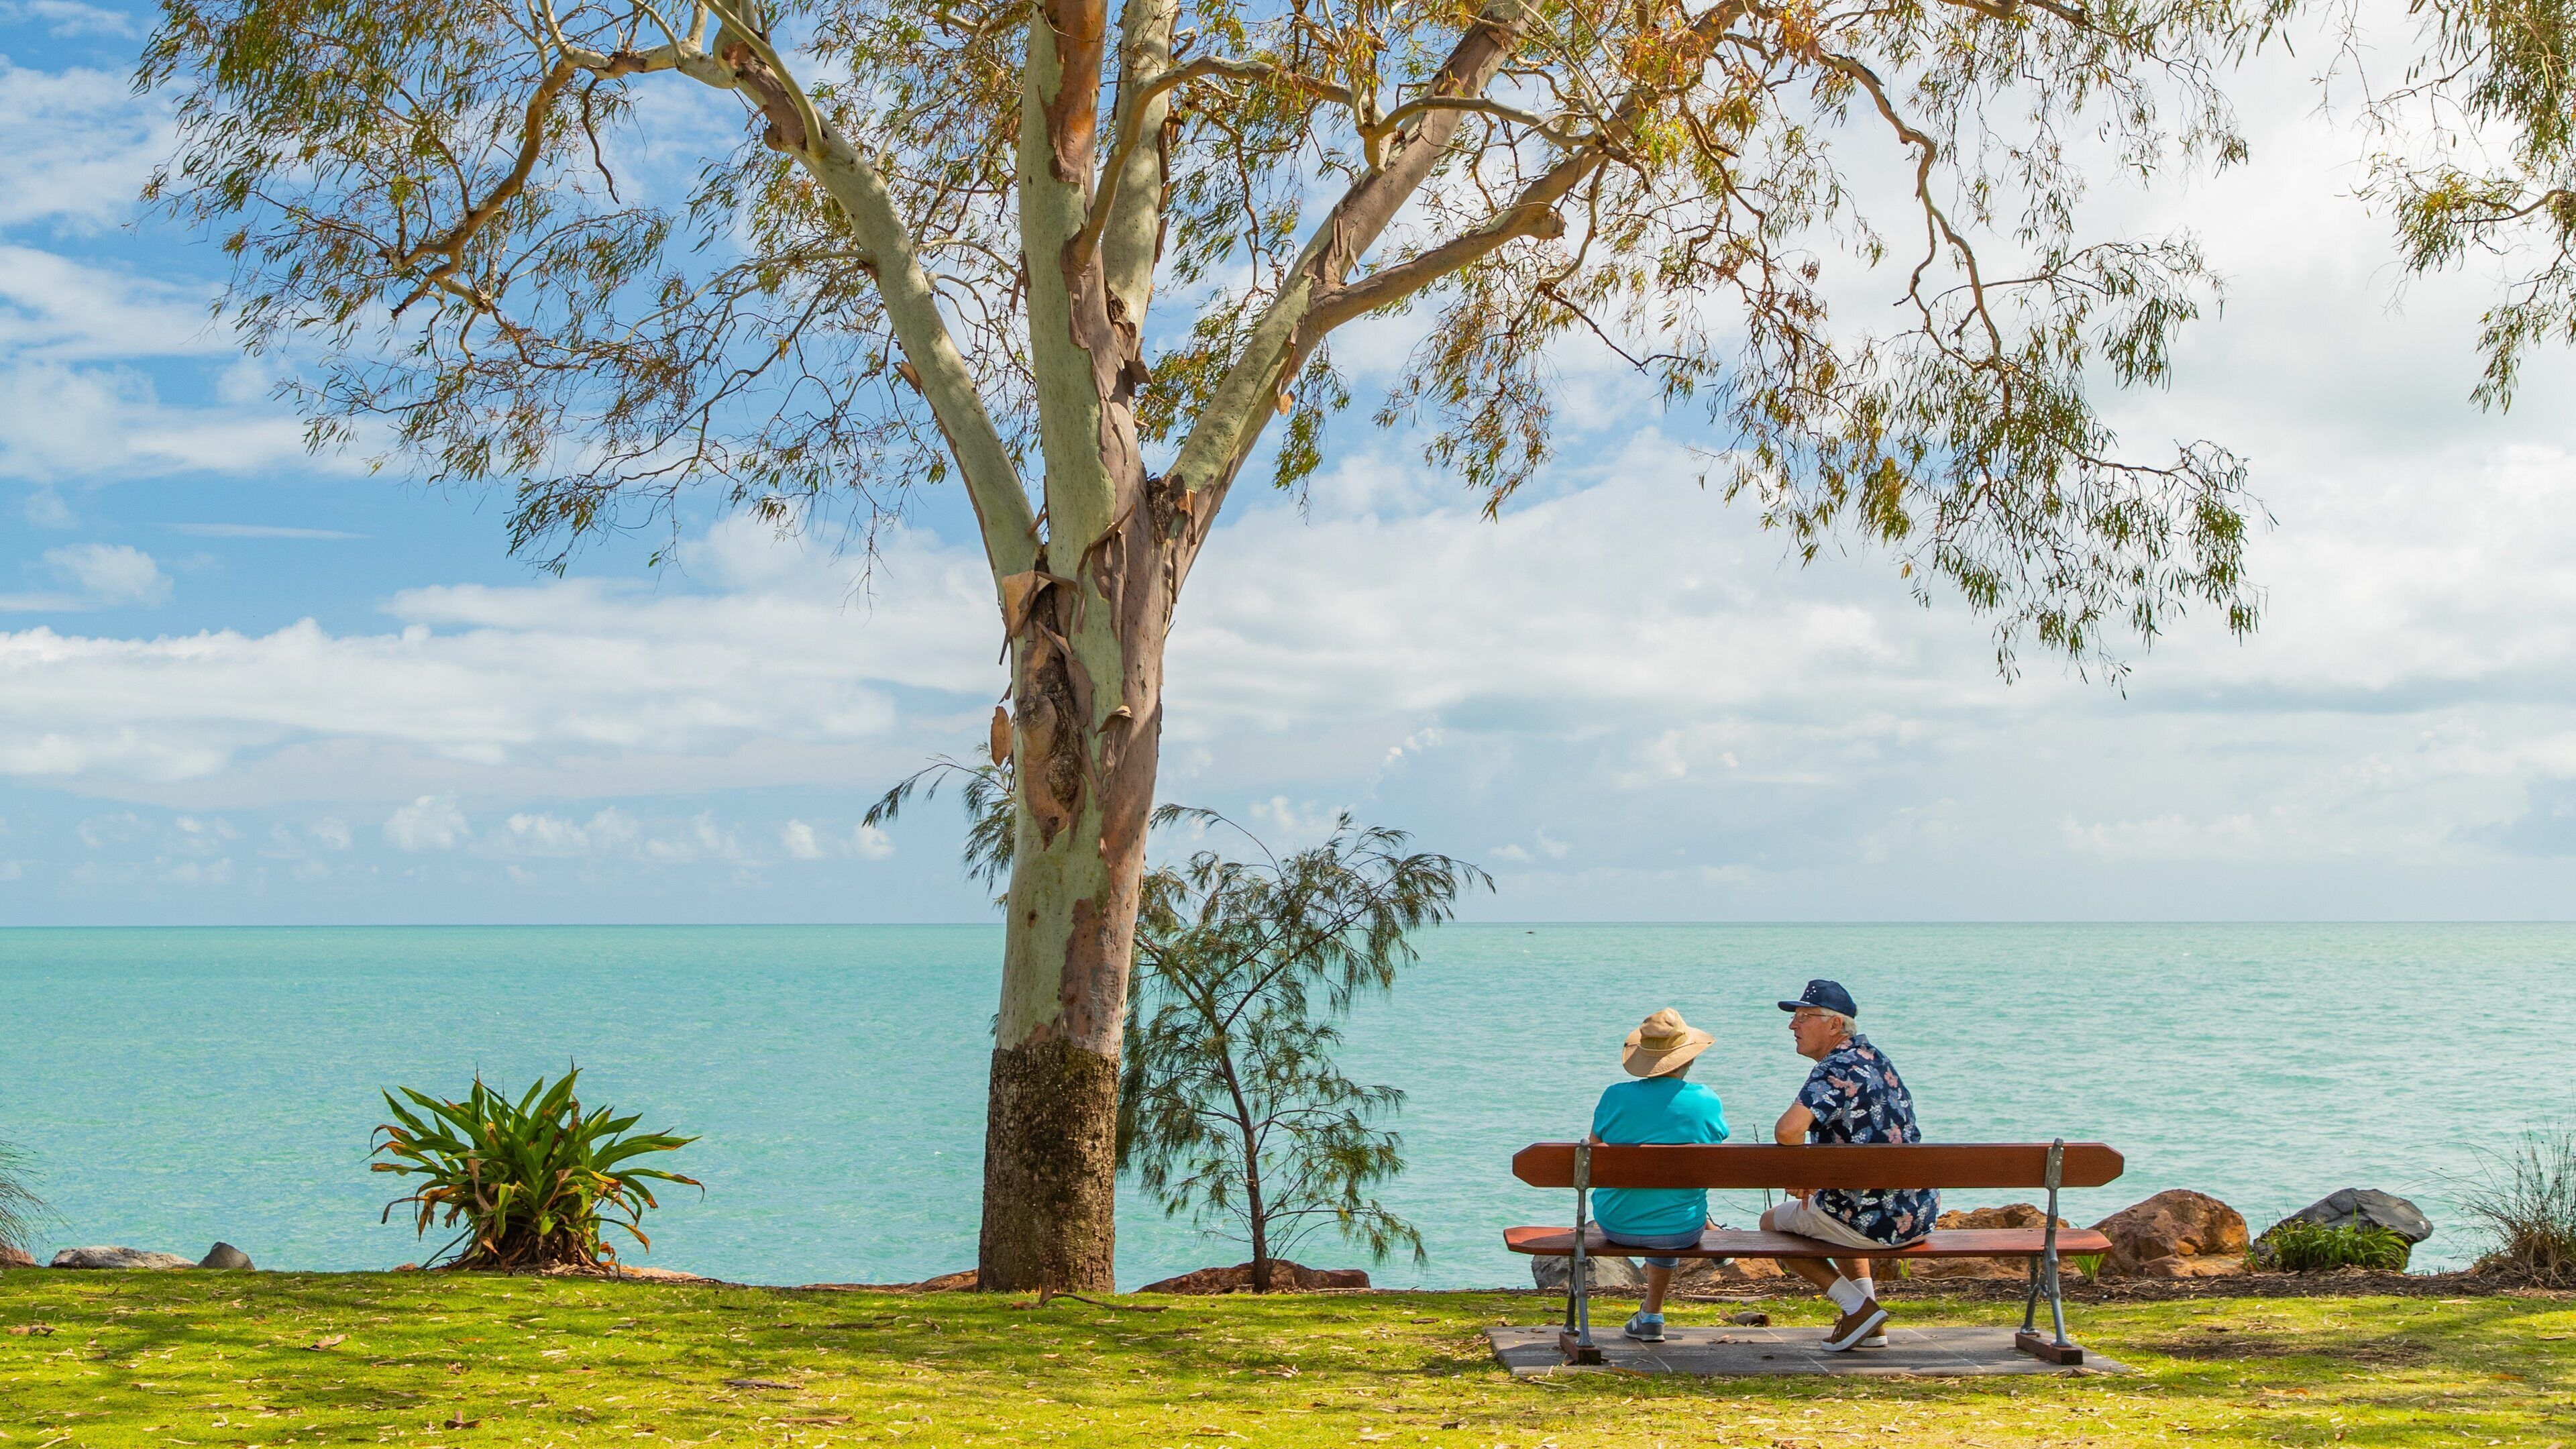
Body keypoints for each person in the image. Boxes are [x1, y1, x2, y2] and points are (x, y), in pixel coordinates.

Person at [1758, 979, 1937, 1352]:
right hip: (1916, 1214)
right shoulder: (1875, 1058)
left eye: (1804, 1017)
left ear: (1835, 1025)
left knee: (1770, 1223)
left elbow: (1788, 1131)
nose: (1792, 1025)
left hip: (1871, 1220)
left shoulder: (1834, 1068)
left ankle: (1857, 1307)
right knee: (1831, 1211)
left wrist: (1802, 1173)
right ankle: (1869, 1326)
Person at [1587, 1008, 1730, 1344]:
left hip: (1615, 1224)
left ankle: (1651, 1318)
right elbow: (1714, 1148)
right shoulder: (1706, 1100)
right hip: (1681, 1230)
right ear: (1689, 1056)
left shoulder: (1615, 1096)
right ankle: (1651, 1312)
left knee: (1657, 1196)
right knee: (1672, 1204)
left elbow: (1594, 1147)